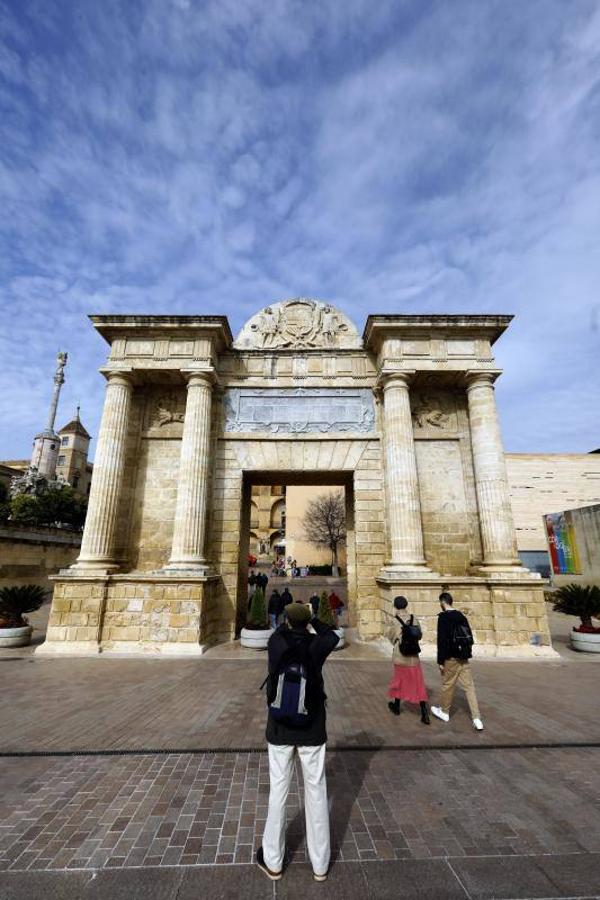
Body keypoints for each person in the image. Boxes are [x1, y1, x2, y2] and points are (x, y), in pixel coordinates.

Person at [257, 602, 339, 883]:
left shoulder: (276, 642)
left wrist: (290, 621)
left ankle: (273, 862)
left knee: (278, 792)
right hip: (312, 728)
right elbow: (333, 635)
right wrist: (314, 618)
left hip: (280, 728)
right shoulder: (317, 645)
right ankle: (320, 864)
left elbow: (279, 630)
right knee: (316, 792)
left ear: (286, 621)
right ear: (307, 622)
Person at [431, 591, 483, 731]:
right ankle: (477, 718)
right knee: (469, 687)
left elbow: (442, 641)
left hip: (450, 657)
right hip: (463, 657)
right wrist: (466, 653)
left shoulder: (443, 618)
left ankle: (444, 712)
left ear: (443, 602)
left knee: (448, 685)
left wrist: (440, 661)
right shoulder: (461, 616)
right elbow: (468, 636)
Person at [387, 596, 430, 725]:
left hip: (401, 656)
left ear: (395, 606)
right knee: (418, 684)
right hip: (414, 657)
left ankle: (396, 707)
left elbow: (391, 636)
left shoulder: (394, 620)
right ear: (406, 605)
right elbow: (419, 635)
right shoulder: (414, 618)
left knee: (399, 681)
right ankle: (424, 713)